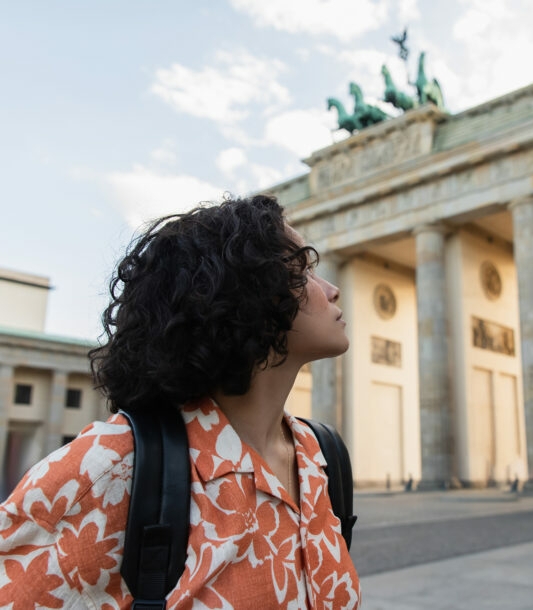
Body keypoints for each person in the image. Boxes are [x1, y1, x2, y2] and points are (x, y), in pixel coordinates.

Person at [0, 195, 361, 609]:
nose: (331, 291)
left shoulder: (322, 456)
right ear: (243, 294)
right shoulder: (112, 468)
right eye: (302, 273)